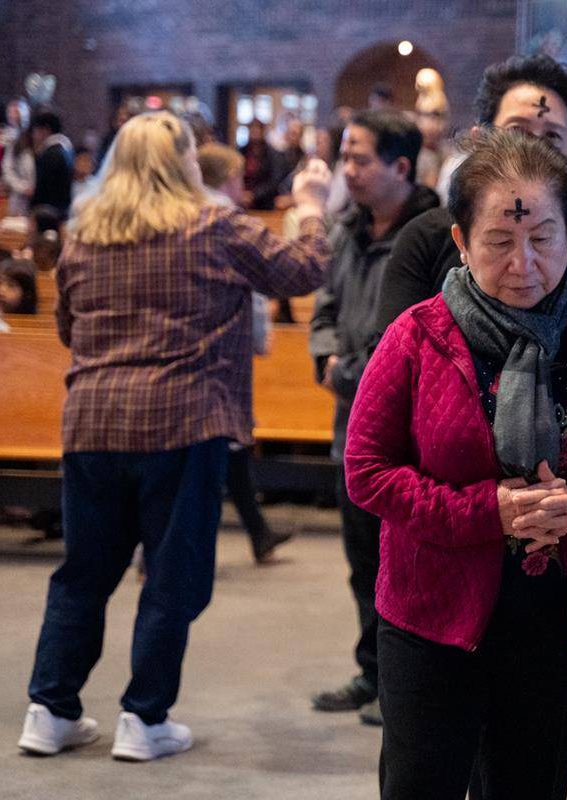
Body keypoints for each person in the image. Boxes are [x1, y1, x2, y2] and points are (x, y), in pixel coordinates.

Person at [345, 127, 567, 800]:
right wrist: (484, 510)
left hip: (557, 615)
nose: (523, 263)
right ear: (461, 241)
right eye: (499, 241)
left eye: (543, 238)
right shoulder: (416, 335)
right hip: (430, 610)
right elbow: (367, 469)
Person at [17, 111, 332, 762]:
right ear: (185, 160)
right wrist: (310, 209)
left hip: (94, 421)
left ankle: (50, 710)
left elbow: (69, 329)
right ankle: (144, 719)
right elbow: (302, 273)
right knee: (171, 576)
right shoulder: (213, 225)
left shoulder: (85, 233)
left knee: (83, 573)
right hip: (184, 421)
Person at [308, 110, 440, 725]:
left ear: (402, 167)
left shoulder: (436, 235)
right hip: (350, 426)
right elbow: (324, 306)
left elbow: (413, 334)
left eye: (361, 158)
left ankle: (410, 687)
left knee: (407, 563)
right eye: (346, 158)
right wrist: (326, 356)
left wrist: (351, 375)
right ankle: (374, 674)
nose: (348, 171)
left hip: (409, 431)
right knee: (363, 561)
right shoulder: (344, 230)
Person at [374, 53, 567, 340]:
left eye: (551, 138)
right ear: (480, 139)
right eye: (517, 131)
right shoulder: (425, 240)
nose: (532, 149)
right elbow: (392, 358)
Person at [196, 141, 293, 565]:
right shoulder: (227, 219)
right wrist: (258, 338)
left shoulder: (181, 214)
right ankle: (161, 556)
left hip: (197, 350)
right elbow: (257, 287)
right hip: (225, 351)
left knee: (227, 448)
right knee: (219, 448)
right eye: (239, 177)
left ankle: (260, 533)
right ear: (226, 180)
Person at [30, 110, 73, 219]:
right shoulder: (65, 149)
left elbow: (42, 189)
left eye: (35, 131)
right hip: (62, 211)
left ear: (46, 130)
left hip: (48, 214)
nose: (34, 136)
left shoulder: (50, 154)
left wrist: (32, 210)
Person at [241, 119, 278, 211]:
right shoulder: (241, 151)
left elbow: (273, 181)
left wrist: (254, 195)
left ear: (262, 131)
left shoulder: (272, 154)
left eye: (257, 129)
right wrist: (242, 194)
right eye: (252, 129)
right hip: (242, 200)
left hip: (264, 203)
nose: (254, 132)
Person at [1, 125, 35, 215]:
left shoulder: (45, 148)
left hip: (38, 198)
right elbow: (7, 170)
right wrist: (22, 188)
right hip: (19, 198)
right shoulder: (16, 145)